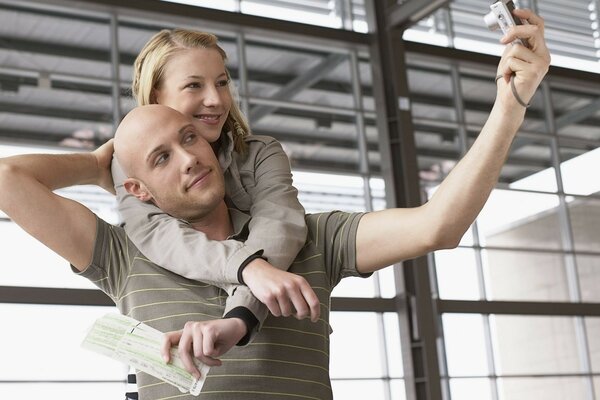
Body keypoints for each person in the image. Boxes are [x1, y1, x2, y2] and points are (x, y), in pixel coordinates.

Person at [0, 8, 550, 400]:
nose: (191, 150)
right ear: (137, 183)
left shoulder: (310, 235)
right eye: (161, 153)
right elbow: (8, 177)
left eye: (191, 136)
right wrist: (107, 161)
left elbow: (440, 225)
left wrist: (511, 102)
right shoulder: (122, 253)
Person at [113, 28, 321, 343]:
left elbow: (278, 228)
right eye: (194, 85)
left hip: (267, 337)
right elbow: (164, 238)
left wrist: (240, 315)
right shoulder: (128, 166)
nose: (215, 99)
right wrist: (248, 268)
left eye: (221, 83)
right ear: (156, 96)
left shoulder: (260, 154)